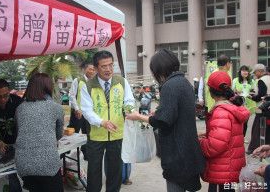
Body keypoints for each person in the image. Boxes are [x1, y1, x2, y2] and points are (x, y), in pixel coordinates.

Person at [126, 49, 205, 192]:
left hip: (177, 153)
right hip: (188, 149)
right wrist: (159, 111)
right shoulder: (184, 82)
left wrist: (138, 116)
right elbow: (178, 111)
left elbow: (162, 121)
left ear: (158, 69)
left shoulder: (170, 86)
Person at [80, 50, 135, 192]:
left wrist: (129, 110)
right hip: (96, 135)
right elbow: (87, 110)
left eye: (111, 65)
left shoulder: (122, 82)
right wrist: (102, 122)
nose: (109, 69)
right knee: (94, 171)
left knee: (115, 170)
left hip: (117, 133)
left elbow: (129, 100)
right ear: (97, 68)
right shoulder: (88, 86)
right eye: (104, 66)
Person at [199, 71, 250, 192]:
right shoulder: (233, 108)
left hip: (221, 171)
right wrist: (207, 133)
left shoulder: (221, 112)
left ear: (211, 93)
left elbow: (215, 146)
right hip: (229, 168)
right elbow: (229, 135)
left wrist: (200, 142)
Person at [15, 73, 64, 192]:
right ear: (48, 87)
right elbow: (59, 133)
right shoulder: (55, 107)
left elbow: (19, 132)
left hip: (24, 165)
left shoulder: (20, 108)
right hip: (48, 165)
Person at [68, 63, 95, 159]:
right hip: (78, 112)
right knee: (73, 130)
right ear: (84, 69)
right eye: (90, 69)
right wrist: (77, 109)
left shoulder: (94, 82)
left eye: (93, 70)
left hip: (88, 113)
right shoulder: (78, 80)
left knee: (87, 133)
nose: (91, 71)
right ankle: (67, 151)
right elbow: (72, 95)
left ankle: (86, 154)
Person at [247, 64, 270, 154]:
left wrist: (252, 97)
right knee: (268, 127)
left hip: (262, 110)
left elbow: (261, 95)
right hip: (268, 110)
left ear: (259, 71)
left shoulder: (261, 80)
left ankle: (254, 149)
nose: (255, 75)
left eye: (256, 72)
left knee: (258, 129)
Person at [232, 65, 256, 139]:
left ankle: (243, 137)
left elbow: (254, 91)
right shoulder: (235, 80)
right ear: (240, 72)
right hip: (238, 104)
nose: (245, 72)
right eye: (243, 71)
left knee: (245, 122)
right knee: (238, 121)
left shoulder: (251, 81)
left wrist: (251, 94)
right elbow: (232, 92)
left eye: (246, 71)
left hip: (248, 104)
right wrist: (236, 91)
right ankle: (237, 136)